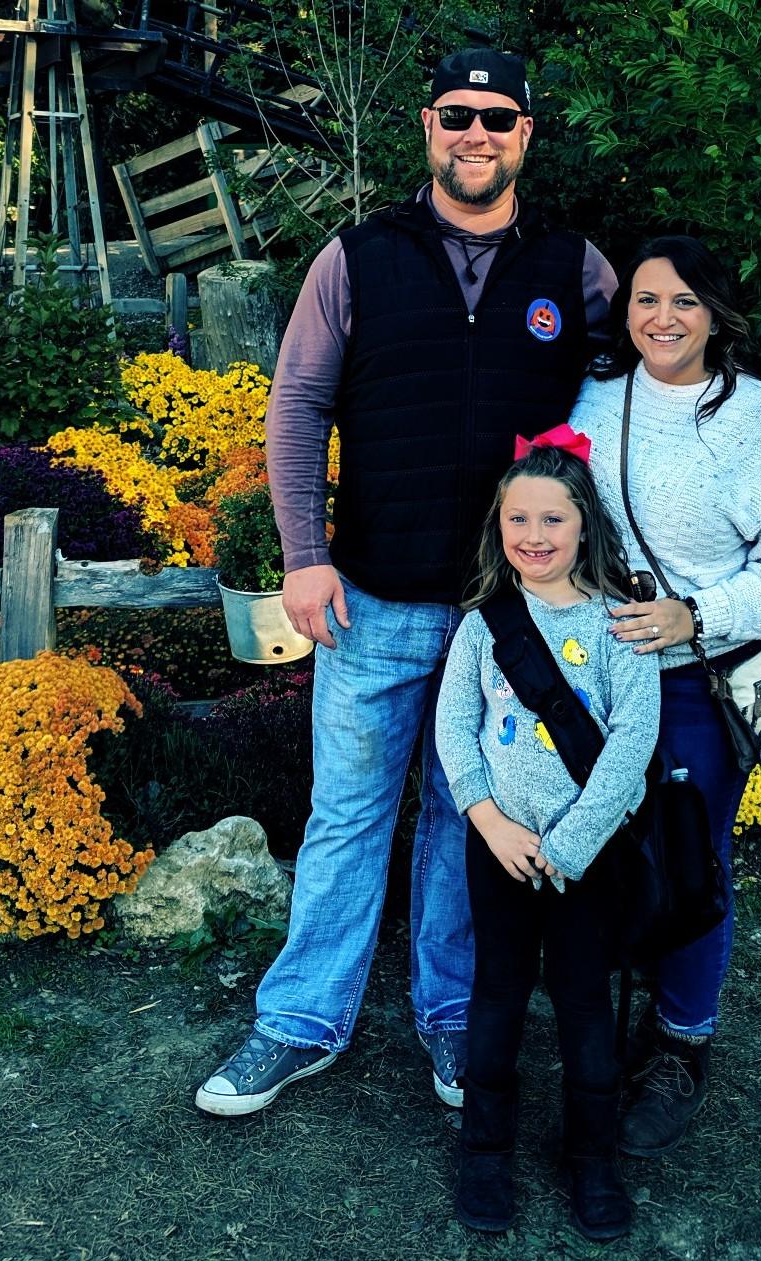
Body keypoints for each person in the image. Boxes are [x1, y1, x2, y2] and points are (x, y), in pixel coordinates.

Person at [195, 48, 616, 1118]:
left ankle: (453, 1014)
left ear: (526, 134)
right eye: (457, 114)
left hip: (505, 614)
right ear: (428, 126)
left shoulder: (576, 270)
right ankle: (300, 1020)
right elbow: (297, 404)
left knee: (462, 819)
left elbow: (630, 410)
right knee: (348, 814)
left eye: (498, 117)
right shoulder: (356, 257)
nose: (477, 134)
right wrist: (303, 555)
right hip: (373, 599)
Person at [568, 235, 761, 1156]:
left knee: (688, 860)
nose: (663, 318)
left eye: (684, 301)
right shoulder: (595, 396)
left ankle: (682, 1042)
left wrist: (699, 614)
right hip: (595, 676)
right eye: (646, 299)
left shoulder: (757, 422)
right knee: (600, 851)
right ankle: (606, 1013)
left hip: (693, 682)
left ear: (716, 316)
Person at [434, 433, 660, 1240]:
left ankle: (591, 1157)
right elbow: (454, 727)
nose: (534, 535)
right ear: (498, 525)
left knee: (582, 1001)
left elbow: (632, 744)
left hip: (584, 857)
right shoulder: (482, 624)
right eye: (518, 519)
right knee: (495, 994)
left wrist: (571, 844)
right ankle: (485, 1149)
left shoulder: (618, 627)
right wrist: (486, 818)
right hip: (499, 846)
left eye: (552, 519)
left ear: (583, 524)